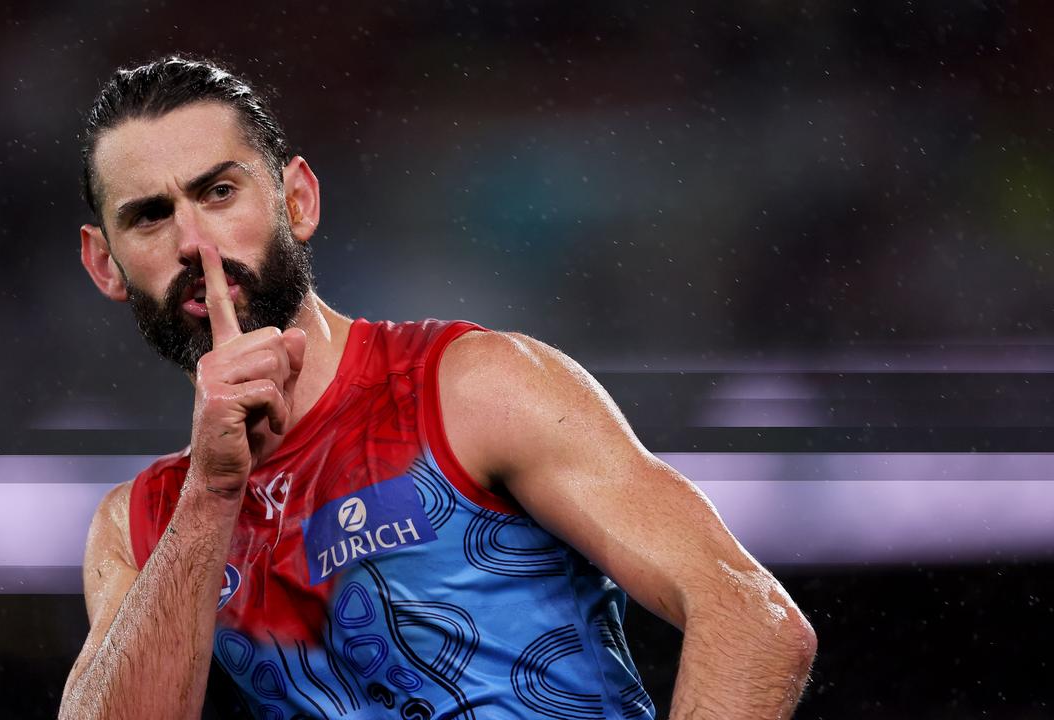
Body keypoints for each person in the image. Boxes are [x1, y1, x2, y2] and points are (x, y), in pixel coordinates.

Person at [58, 54, 816, 720]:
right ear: (104, 265)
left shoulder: (472, 389)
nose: (195, 243)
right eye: (151, 217)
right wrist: (213, 494)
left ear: (298, 201)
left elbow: (751, 621)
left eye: (220, 192)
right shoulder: (141, 525)